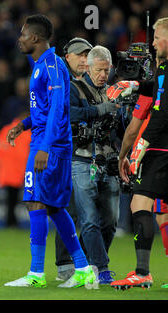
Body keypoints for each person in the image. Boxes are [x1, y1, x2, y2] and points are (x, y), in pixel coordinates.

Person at [5, 14, 95, 288]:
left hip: (50, 145)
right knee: (54, 207)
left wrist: (44, 147)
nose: (19, 39)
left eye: (22, 34)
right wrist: (23, 125)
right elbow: (44, 109)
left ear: (35, 37)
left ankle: (36, 274)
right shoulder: (40, 65)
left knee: (35, 202)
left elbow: (58, 109)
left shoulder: (53, 65)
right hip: (45, 140)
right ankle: (83, 268)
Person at [106, 17, 168, 288]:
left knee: (139, 204)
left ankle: (142, 273)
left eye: (156, 37)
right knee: (163, 214)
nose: (152, 43)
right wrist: (132, 85)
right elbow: (157, 92)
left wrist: (138, 149)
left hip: (160, 149)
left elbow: (162, 112)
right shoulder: (164, 69)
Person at [67, 45, 121, 284]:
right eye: (99, 70)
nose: (103, 75)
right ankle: (102, 268)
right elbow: (69, 114)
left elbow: (118, 129)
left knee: (110, 221)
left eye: (106, 71)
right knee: (88, 219)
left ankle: (90, 266)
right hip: (81, 159)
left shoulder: (112, 91)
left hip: (108, 160)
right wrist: (100, 109)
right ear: (88, 67)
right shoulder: (74, 88)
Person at [54, 37, 92, 281]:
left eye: (87, 55)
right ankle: (64, 265)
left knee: (89, 214)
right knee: (69, 211)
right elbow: (67, 113)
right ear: (67, 57)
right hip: (68, 154)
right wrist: (97, 111)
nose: (84, 59)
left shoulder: (89, 84)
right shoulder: (62, 82)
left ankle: (86, 263)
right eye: (79, 54)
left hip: (90, 155)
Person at [0, 111, 31, 228]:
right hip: (18, 170)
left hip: (7, 170)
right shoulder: (27, 132)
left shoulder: (6, 129)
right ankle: (12, 221)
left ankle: (10, 221)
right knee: (14, 198)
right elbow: (25, 154)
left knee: (11, 198)